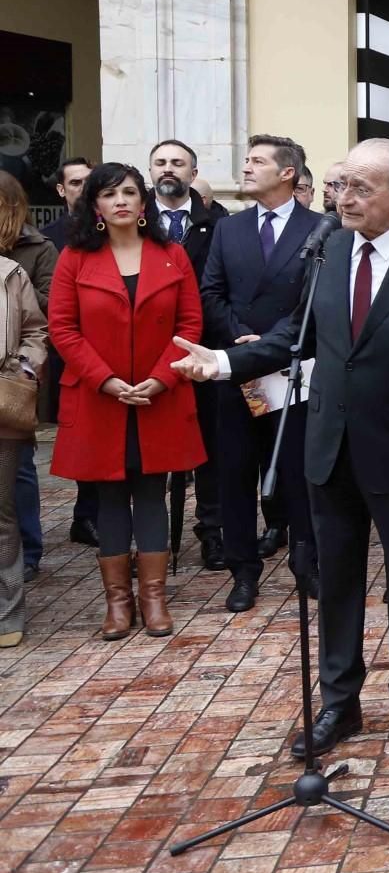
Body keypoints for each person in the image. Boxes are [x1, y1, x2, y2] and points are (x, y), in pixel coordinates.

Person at [170, 138, 389, 757]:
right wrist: (226, 362)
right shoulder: (328, 251)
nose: (345, 197)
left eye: (362, 187)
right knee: (334, 578)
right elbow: (296, 334)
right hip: (329, 447)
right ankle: (339, 703)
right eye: (341, 185)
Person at [52, 163, 207, 640]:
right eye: (108, 193)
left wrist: (161, 378)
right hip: (101, 398)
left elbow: (190, 325)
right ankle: (118, 605)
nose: (120, 200)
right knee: (111, 496)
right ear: (94, 205)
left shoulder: (171, 254)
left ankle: (154, 599)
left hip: (160, 396)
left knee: (152, 493)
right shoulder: (75, 259)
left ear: (143, 203)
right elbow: (62, 328)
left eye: (129, 192)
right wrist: (106, 380)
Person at [199, 135, 323, 613]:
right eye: (246, 161)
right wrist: (245, 339)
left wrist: (274, 346)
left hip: (294, 373)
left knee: (300, 474)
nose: (246, 168)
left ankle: (306, 565)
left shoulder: (322, 229)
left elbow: (318, 302)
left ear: (288, 172)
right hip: (237, 371)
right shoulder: (229, 230)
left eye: (256, 161)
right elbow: (211, 292)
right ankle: (243, 572)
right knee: (234, 474)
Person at [149, 139, 225, 571]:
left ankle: (210, 531)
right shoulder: (136, 223)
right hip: (150, 353)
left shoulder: (217, 223)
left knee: (210, 448)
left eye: (178, 163)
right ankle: (155, 536)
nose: (169, 170)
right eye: (160, 163)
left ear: (193, 174)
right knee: (155, 447)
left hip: (204, 349)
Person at [0, 174, 56, 583]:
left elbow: (46, 313)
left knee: (17, 472)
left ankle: (28, 552)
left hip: (9, 382)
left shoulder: (37, 250)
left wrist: (23, 365)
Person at [38, 157, 95, 554]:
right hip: (63, 355)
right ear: (61, 190)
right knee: (75, 437)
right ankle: (84, 513)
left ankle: (89, 514)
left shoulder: (109, 233)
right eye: (74, 183)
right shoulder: (48, 239)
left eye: (89, 182)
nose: (82, 188)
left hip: (101, 353)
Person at [0, 252, 47, 647]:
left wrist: (23, 369)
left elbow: (35, 331)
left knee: (2, 511)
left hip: (2, 405)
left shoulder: (9, 273)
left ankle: (7, 614)